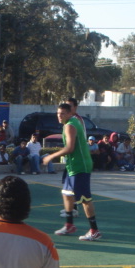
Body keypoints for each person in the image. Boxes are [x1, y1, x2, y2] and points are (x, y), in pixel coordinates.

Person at [43, 103, 102, 241]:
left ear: (70, 113)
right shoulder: (70, 123)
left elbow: (70, 148)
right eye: (58, 113)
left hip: (79, 165)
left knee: (85, 199)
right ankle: (69, 225)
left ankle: (94, 230)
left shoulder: (70, 125)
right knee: (66, 194)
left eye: (63, 113)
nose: (59, 116)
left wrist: (51, 156)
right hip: (72, 166)